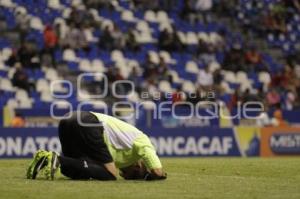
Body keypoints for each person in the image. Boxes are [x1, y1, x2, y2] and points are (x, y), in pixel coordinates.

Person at [26, 111, 167, 181]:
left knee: (72, 170)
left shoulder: (120, 153)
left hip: (68, 120)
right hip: (89, 123)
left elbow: (89, 167)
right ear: (138, 166)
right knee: (111, 174)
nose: (124, 175)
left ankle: (46, 158)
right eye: (131, 175)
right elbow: (158, 171)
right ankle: (57, 158)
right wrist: (154, 175)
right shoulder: (142, 140)